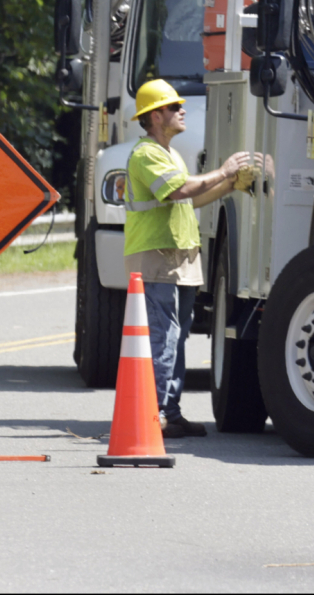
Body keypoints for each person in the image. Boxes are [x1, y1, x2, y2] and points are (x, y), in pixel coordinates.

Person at [125, 79, 254, 438]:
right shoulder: (146, 154)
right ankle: (155, 415)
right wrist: (224, 171)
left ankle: (170, 411)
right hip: (156, 259)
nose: (182, 110)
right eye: (174, 106)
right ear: (155, 116)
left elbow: (190, 199)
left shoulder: (170, 154)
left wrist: (229, 185)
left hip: (178, 260)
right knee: (163, 338)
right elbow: (180, 190)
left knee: (176, 338)